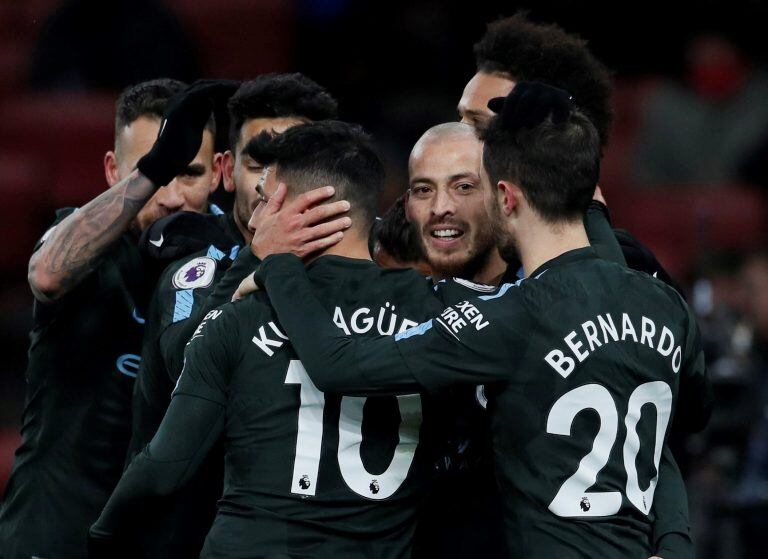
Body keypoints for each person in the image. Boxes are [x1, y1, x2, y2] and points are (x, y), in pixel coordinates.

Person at [245, 84, 713, 558]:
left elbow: (337, 365)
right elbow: (678, 414)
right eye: (424, 189)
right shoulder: (664, 303)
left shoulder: (513, 315)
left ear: (503, 197)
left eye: (467, 185)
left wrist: (278, 264)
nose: (444, 206)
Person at [89, 120, 444, 558]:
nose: (253, 221)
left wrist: (102, 536)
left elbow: (164, 467)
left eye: (263, 202)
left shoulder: (240, 315)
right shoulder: (436, 314)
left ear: (309, 208)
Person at [0, 78, 232, 558]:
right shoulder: (81, 247)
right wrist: (157, 168)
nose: (168, 197)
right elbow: (45, 276)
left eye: (186, 172)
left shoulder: (238, 263)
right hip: (55, 533)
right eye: (152, 173)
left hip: (169, 540)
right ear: (114, 171)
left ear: (219, 171)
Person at [127, 73, 339, 557]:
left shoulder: (364, 281)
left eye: (294, 162)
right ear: (227, 171)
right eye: (258, 162)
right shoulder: (193, 270)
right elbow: (186, 367)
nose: (272, 183)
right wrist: (259, 256)